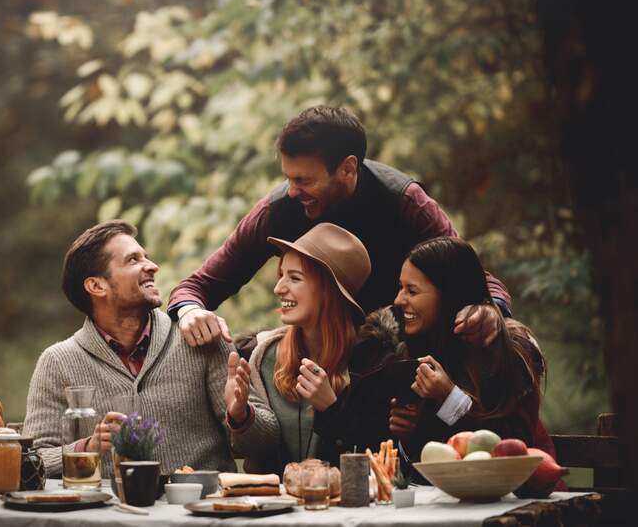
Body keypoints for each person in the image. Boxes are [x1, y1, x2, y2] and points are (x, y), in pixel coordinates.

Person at [169, 106, 510, 351]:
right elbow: (196, 287)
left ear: (347, 169)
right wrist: (190, 312)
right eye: (287, 177)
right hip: (320, 358)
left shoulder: (404, 202)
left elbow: (478, 279)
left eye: (303, 179)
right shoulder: (277, 211)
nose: (291, 191)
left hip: (404, 357)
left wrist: (489, 310)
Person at [312, 236, 556, 479]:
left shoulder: (507, 350)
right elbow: (423, 459)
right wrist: (413, 429)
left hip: (521, 498)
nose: (398, 300)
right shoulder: (410, 352)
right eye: (400, 287)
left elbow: (512, 447)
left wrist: (449, 397)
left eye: (412, 291)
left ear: (448, 293)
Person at [21, 220, 244, 478]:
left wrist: (241, 416)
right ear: (96, 286)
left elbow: (265, 440)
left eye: (146, 257)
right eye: (133, 260)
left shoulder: (200, 334)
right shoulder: (57, 362)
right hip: (110, 516)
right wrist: (88, 448)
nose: (152, 266)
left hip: (200, 512)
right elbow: (32, 461)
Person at [223, 223, 371, 474]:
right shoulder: (263, 356)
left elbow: (375, 459)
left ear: (329, 291)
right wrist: (241, 416)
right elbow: (260, 448)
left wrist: (331, 410)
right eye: (282, 275)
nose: (278, 288)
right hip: (274, 507)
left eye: (294, 278)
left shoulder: (371, 362)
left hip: (343, 507)